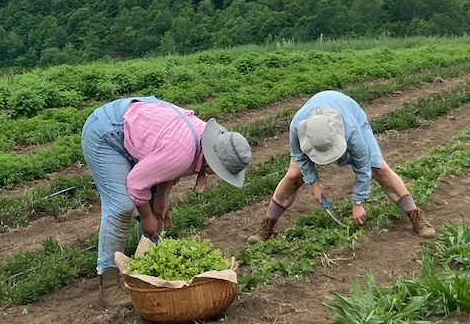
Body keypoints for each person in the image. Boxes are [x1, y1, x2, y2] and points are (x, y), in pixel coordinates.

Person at [81, 96, 252, 307]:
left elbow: (166, 167)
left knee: (154, 207)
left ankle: (144, 274)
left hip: (134, 132)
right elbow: (136, 183)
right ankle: (108, 287)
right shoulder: (182, 152)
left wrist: (161, 197)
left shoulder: (202, 141)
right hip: (106, 134)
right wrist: (146, 216)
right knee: (121, 207)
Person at [248, 89, 436, 242]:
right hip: (317, 119)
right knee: (293, 176)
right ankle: (267, 225)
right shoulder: (297, 127)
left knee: (378, 168)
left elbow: (363, 168)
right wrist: (314, 183)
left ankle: (416, 216)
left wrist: (358, 202)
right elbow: (301, 157)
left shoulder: (352, 132)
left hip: (350, 113)